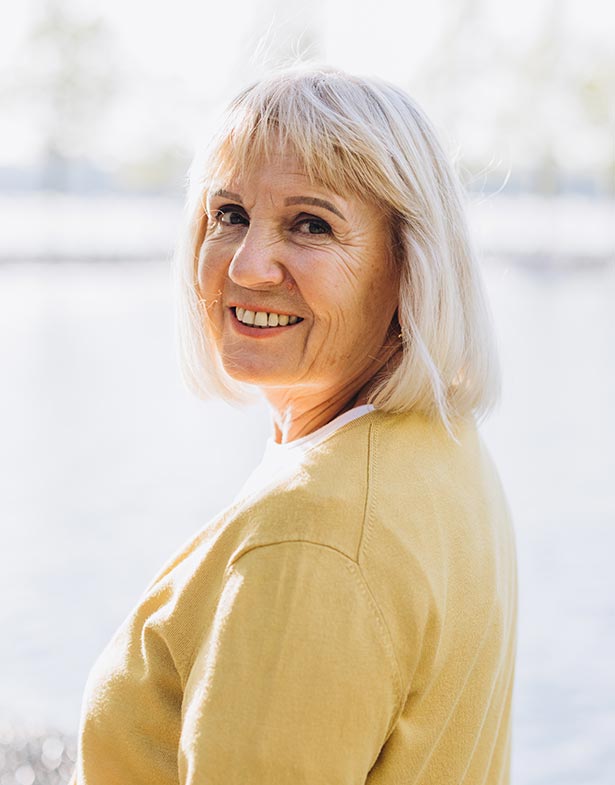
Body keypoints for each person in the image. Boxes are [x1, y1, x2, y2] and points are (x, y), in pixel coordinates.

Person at [69, 67, 517, 785]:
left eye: (310, 224)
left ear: (409, 265)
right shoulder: (440, 446)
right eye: (229, 214)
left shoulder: (313, 533)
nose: (248, 265)